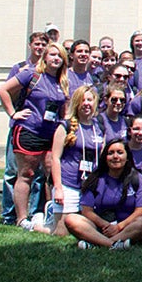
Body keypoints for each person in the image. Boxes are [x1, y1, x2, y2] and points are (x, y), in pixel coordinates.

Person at [0, 42, 71, 229]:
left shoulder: (62, 81)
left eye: (60, 56)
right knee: (27, 174)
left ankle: (48, 213)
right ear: (45, 57)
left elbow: (64, 108)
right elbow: (3, 90)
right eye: (53, 54)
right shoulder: (31, 74)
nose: (56, 58)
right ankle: (22, 218)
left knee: (51, 174)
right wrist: (13, 113)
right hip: (29, 131)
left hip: (51, 134)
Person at [64, 139, 142, 249]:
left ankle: (98, 243)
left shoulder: (138, 179)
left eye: (120, 152)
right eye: (110, 153)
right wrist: (105, 225)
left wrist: (119, 227)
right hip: (99, 227)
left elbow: (139, 210)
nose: (115, 156)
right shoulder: (95, 178)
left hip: (126, 227)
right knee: (71, 219)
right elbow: (86, 210)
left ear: (127, 157)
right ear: (105, 158)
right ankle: (113, 245)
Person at [46, 85, 104, 236]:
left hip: (89, 185)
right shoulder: (65, 126)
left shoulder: (99, 126)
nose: (86, 104)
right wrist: (58, 188)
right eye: (82, 100)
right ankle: (38, 223)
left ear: (95, 103)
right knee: (61, 233)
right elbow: (55, 158)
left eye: (90, 100)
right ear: (76, 103)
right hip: (68, 183)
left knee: (86, 228)